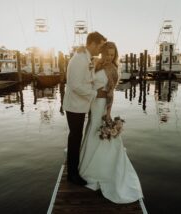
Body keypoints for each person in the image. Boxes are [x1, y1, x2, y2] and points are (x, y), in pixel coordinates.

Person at [79, 41, 144, 203]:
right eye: (107, 53)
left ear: (115, 55)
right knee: (90, 130)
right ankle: (86, 161)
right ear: (101, 52)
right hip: (92, 103)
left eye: (112, 54)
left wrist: (108, 112)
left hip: (101, 105)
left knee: (97, 130)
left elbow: (111, 93)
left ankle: (100, 167)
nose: (109, 56)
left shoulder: (113, 70)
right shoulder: (96, 63)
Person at [63, 31, 107, 185]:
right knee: (75, 138)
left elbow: (87, 79)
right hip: (74, 106)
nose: (100, 50)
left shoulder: (86, 57)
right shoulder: (79, 59)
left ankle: (74, 170)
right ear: (93, 44)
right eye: (100, 46)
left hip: (81, 105)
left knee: (76, 137)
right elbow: (75, 86)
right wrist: (95, 93)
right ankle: (72, 175)